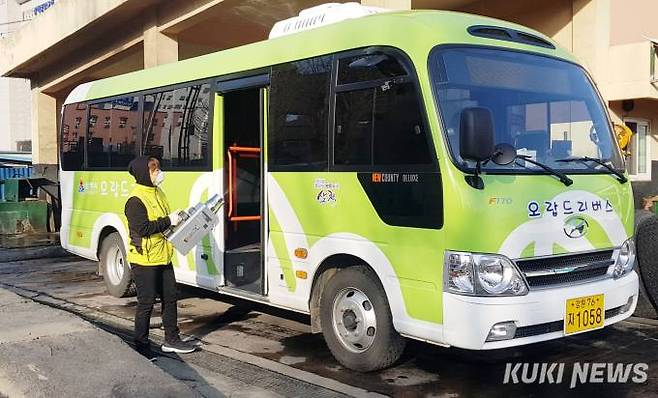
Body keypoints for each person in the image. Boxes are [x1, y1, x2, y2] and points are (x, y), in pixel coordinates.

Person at [125, 156, 195, 359]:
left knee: (170, 297)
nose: (158, 174)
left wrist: (176, 218)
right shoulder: (135, 200)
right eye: (154, 171)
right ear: (144, 174)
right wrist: (167, 220)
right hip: (144, 259)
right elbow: (143, 228)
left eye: (158, 170)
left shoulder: (158, 192)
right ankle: (141, 347)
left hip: (163, 254)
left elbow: (162, 221)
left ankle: (171, 340)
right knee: (146, 303)